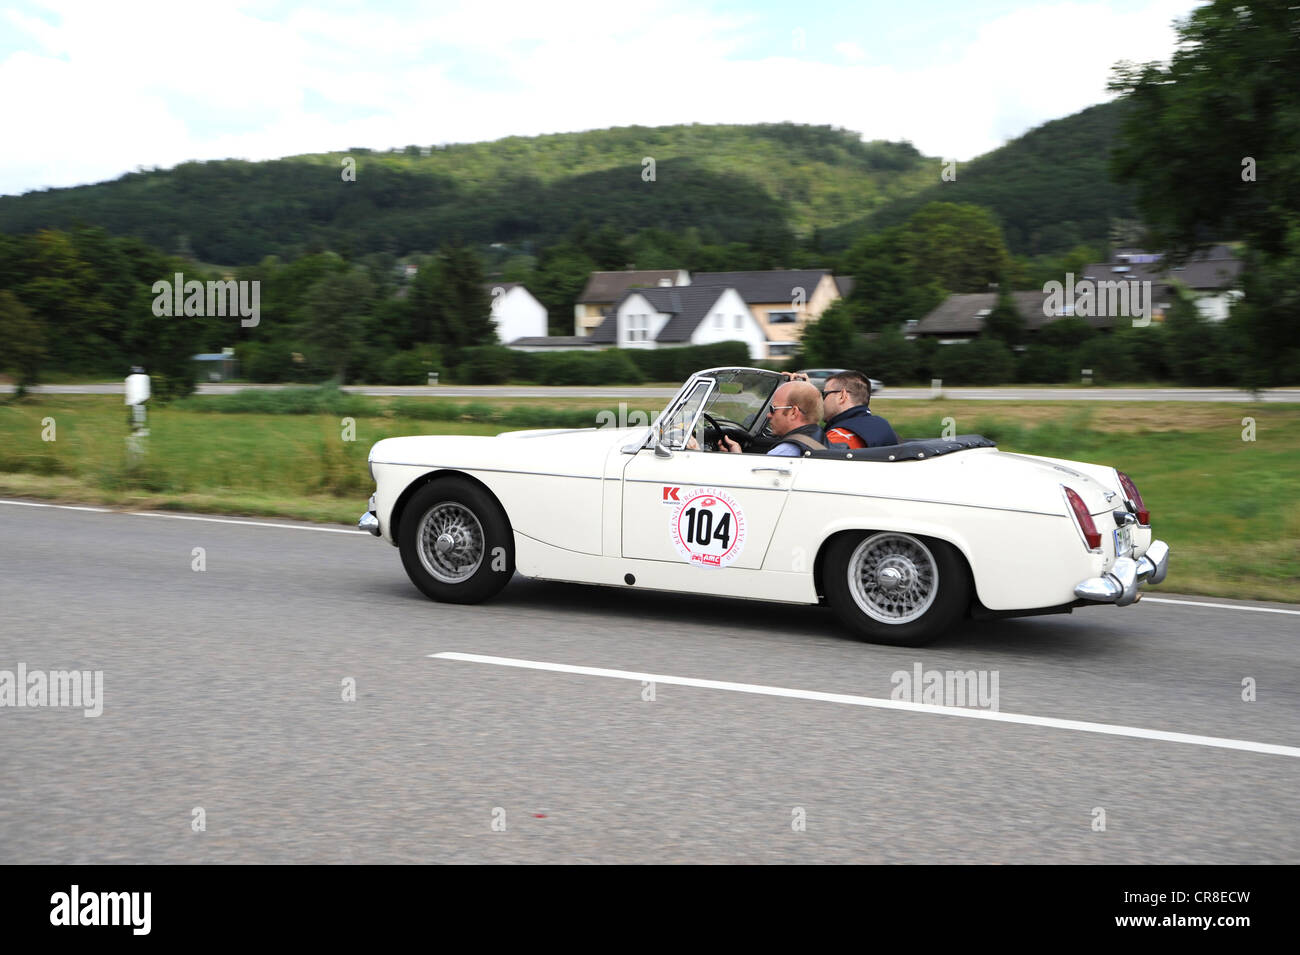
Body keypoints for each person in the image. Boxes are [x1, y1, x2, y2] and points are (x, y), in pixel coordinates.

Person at [720, 381, 826, 456]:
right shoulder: (820, 437)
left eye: (773, 409)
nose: (768, 415)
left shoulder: (785, 452)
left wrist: (735, 460)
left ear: (793, 412)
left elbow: (754, 484)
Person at [821, 371, 898, 448]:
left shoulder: (840, 436)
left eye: (824, 395)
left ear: (842, 396)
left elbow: (816, 455)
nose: (822, 400)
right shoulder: (882, 425)